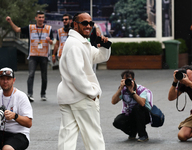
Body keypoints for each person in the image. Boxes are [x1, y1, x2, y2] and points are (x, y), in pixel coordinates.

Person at [57, 12, 111, 150]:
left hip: (69, 96)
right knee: (94, 137)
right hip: (81, 97)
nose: (88, 26)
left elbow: (97, 57)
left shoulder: (79, 42)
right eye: (84, 23)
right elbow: (77, 75)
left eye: (91, 23)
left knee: (67, 138)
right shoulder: (76, 44)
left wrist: (105, 47)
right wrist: (92, 92)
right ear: (75, 25)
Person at [6, 10, 54, 102]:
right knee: (31, 74)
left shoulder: (48, 28)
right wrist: (10, 21)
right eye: (39, 17)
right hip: (33, 55)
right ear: (36, 18)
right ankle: (30, 94)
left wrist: (50, 40)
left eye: (42, 17)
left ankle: (43, 94)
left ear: (44, 18)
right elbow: (17, 30)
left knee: (44, 76)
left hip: (44, 55)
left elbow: (52, 41)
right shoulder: (30, 28)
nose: (41, 19)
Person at [112, 70, 153, 142]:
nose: (128, 82)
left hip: (145, 115)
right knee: (117, 121)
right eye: (125, 80)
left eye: (129, 80)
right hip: (131, 114)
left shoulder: (142, 89)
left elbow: (142, 103)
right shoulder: (123, 90)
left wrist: (132, 91)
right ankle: (133, 132)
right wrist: (120, 89)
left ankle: (143, 135)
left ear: (133, 80)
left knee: (137, 108)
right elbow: (113, 101)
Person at [0, 67, 33, 150]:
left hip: (19, 134)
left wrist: (15, 116)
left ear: (13, 80)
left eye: (8, 79)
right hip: (2, 132)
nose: (5, 81)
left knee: (7, 149)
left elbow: (29, 123)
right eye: (2, 79)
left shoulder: (21, 96)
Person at [168, 65, 192, 141]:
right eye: (184, 76)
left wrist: (189, 83)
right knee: (182, 136)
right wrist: (175, 82)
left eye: (187, 76)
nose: (186, 78)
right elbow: (171, 98)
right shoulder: (184, 83)